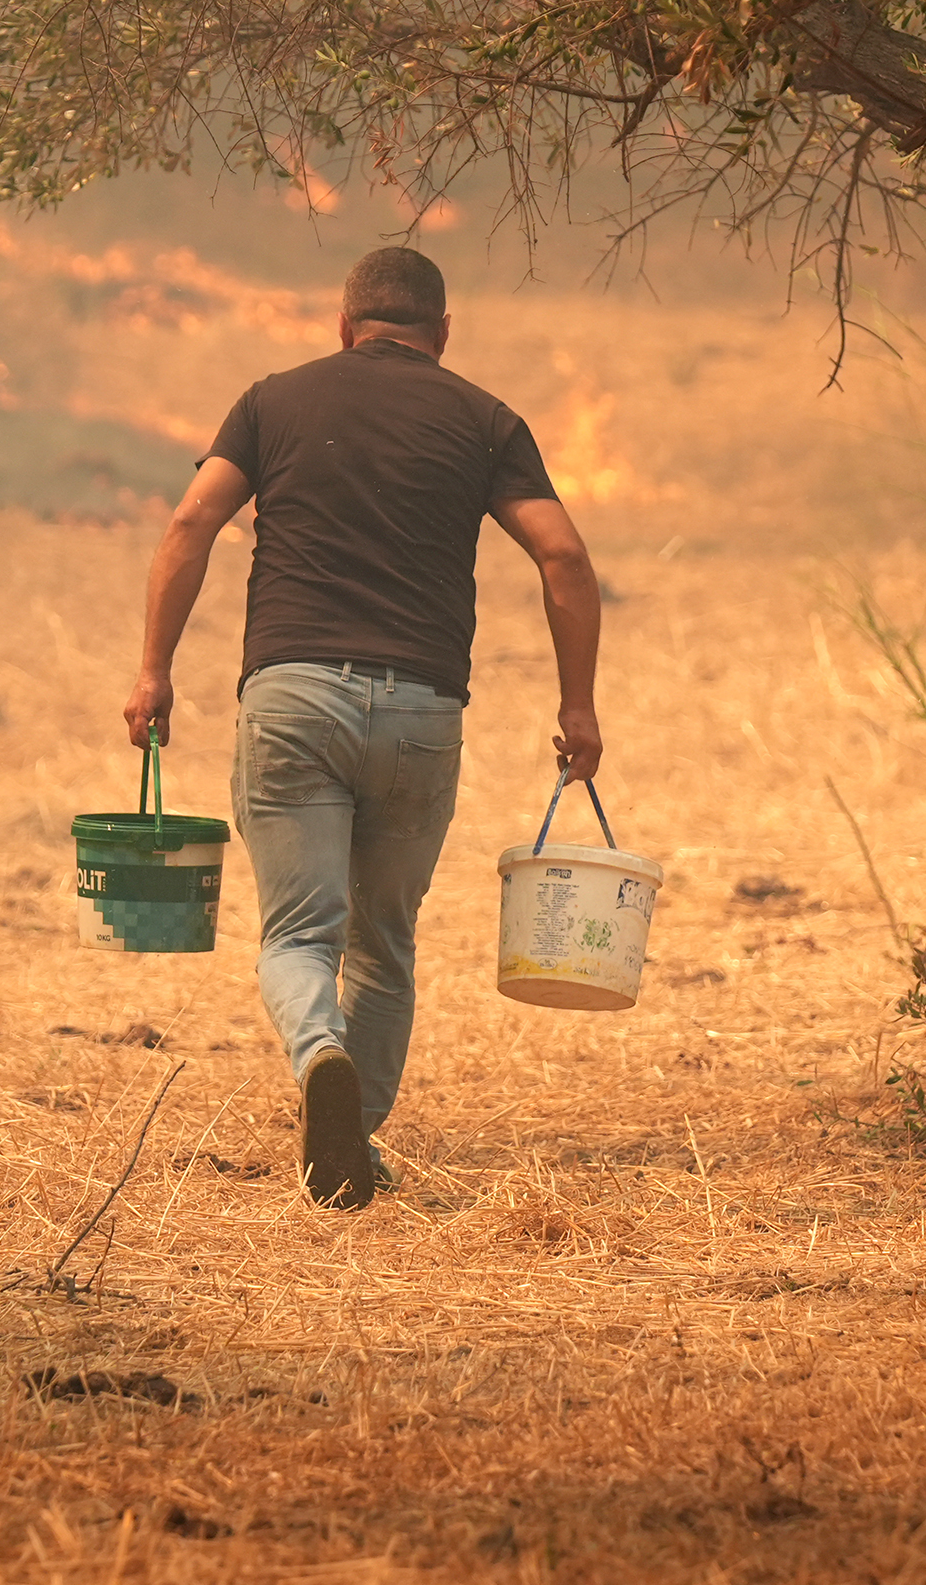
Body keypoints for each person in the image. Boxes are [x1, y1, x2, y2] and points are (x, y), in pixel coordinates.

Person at [121, 247, 604, 1210]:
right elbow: (561, 554)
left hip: (294, 698)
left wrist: (154, 669)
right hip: (423, 713)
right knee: (381, 944)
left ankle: (318, 1059)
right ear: (442, 334)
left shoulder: (273, 401)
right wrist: (576, 702)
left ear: (344, 327)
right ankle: (351, 1144)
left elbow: (188, 525)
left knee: (301, 934)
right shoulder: (484, 418)